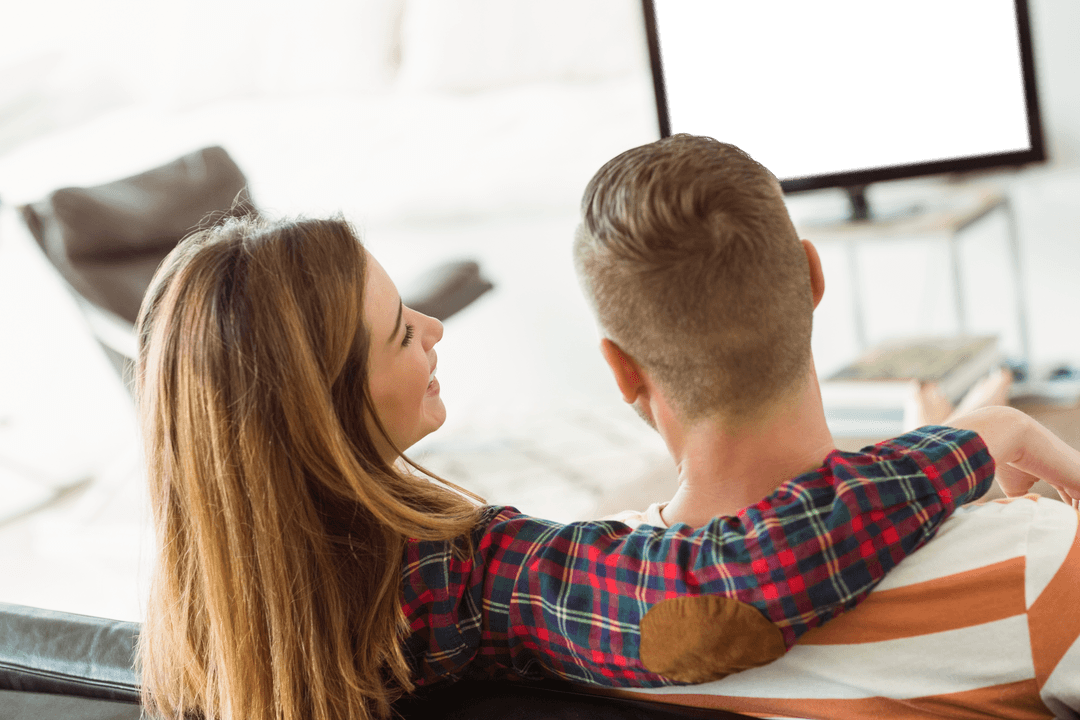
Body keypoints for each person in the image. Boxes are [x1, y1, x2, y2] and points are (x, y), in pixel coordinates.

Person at [132, 213, 1006, 720]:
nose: (435, 329)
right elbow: (724, 599)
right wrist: (974, 442)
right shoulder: (452, 576)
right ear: (325, 413)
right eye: (401, 332)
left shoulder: (188, 636)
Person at [571, 133, 1080, 717]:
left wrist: (937, 449)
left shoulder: (596, 613)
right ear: (813, 276)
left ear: (621, 369)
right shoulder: (1036, 567)